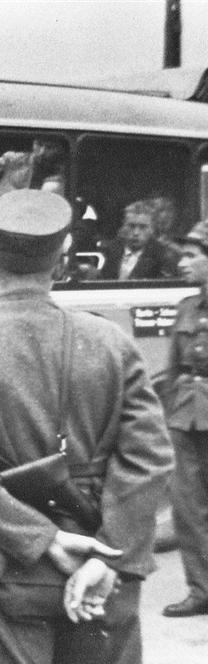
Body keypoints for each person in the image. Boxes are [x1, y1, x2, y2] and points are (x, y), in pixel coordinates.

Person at [0, 190, 174, 664]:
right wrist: (110, 556)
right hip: (104, 559)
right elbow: (151, 458)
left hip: (8, 562)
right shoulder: (111, 341)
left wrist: (43, 539)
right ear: (64, 256)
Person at [161, 219, 208, 618]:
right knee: (187, 507)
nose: (182, 263)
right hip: (185, 416)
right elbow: (173, 368)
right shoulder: (186, 307)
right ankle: (201, 590)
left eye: (191, 256)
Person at [100, 199, 176, 280]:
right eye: (131, 226)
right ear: (124, 226)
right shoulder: (109, 250)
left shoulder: (162, 256)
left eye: (143, 227)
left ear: (152, 229)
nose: (136, 233)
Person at [0, 137, 67, 196]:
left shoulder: (59, 172)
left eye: (50, 147)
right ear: (34, 143)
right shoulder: (13, 159)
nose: (42, 152)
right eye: (39, 144)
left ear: (58, 149)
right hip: (3, 208)